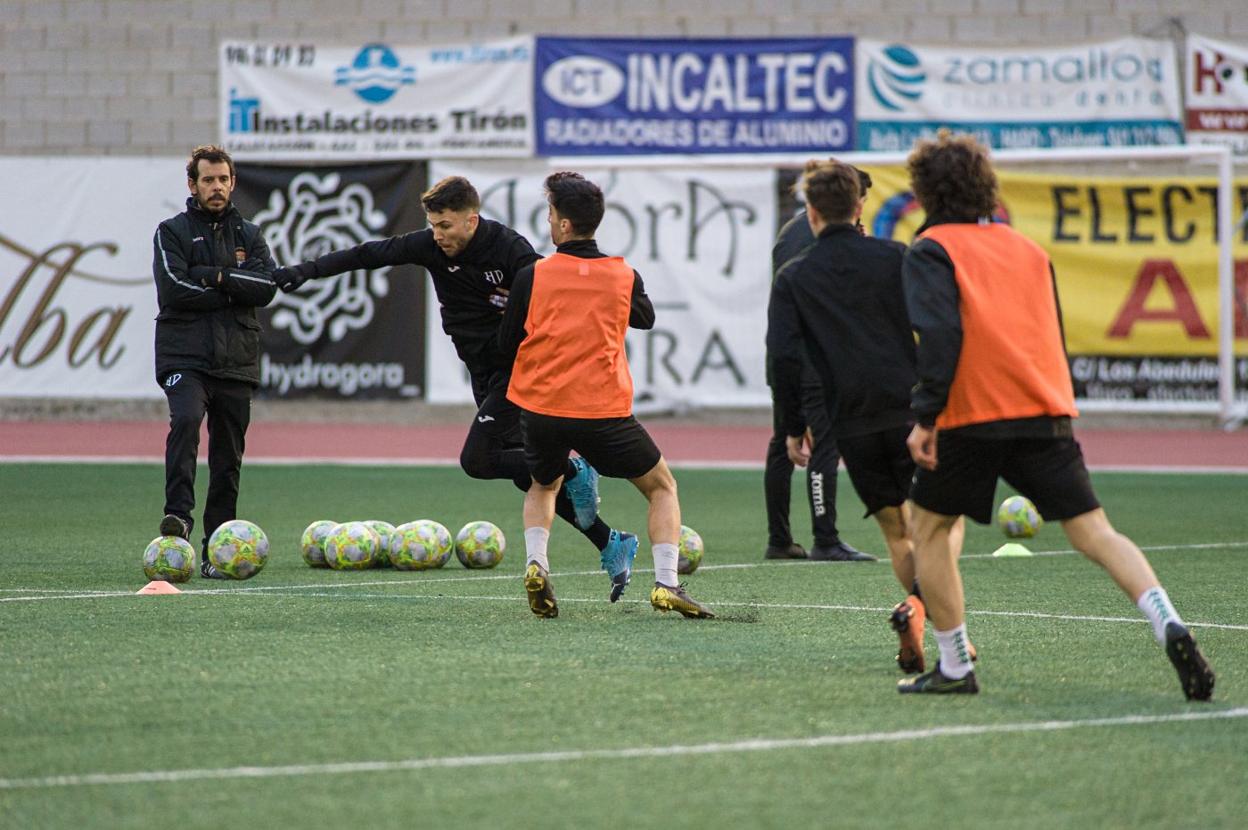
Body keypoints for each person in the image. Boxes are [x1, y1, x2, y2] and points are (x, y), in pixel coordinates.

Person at [899, 130, 1215, 699]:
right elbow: (1049, 330)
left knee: (928, 528)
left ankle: (952, 665)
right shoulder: (1028, 249)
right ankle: (1166, 617)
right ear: (986, 187)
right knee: (1095, 532)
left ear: (924, 192)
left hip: (973, 414)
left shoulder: (931, 248)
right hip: (1045, 408)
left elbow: (941, 336)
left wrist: (926, 417)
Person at [273, 176, 637, 595]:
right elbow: (368, 254)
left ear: (471, 220)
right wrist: (305, 272)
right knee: (527, 473)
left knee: (479, 460)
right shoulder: (430, 246)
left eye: (445, 225)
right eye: (433, 225)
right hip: (482, 373)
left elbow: (562, 287)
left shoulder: (510, 250)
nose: (438, 234)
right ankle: (612, 542)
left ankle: (573, 467)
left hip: (519, 372)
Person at [769, 159, 961, 673]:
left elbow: (782, 357)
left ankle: (921, 612)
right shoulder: (896, 257)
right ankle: (924, 613)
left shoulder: (794, 276)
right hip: (910, 411)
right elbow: (937, 324)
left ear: (810, 212)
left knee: (898, 533)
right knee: (943, 521)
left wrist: (791, 427)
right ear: (860, 208)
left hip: (850, 423)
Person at [498, 172, 714, 620]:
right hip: (602, 410)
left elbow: (506, 344)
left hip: (541, 408)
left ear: (562, 226)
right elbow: (646, 318)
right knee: (661, 487)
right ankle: (667, 584)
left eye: (551, 213)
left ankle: (537, 564)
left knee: (544, 483)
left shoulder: (531, 276)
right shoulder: (622, 275)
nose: (550, 220)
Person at [152, 145, 278, 578]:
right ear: (193, 185)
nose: (217, 187)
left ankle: (217, 547)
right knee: (185, 420)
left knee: (229, 455)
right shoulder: (172, 231)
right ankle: (178, 521)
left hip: (236, 358)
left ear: (232, 183)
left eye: (223, 179)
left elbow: (265, 287)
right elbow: (173, 289)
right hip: (183, 355)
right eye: (208, 180)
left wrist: (213, 275)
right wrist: (228, 290)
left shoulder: (250, 234)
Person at [763, 167, 876, 563]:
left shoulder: (787, 232)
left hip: (783, 354)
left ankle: (779, 539)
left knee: (783, 441)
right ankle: (825, 537)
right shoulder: (829, 238)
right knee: (824, 441)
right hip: (817, 355)